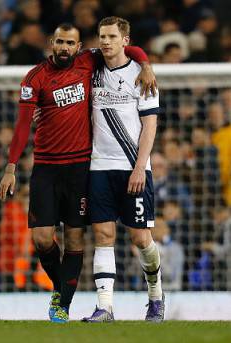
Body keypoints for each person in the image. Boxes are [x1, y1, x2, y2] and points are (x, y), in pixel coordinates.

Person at [0, 22, 155, 323]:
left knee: (75, 239)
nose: (65, 48)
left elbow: (128, 47)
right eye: (60, 42)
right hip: (45, 167)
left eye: (71, 43)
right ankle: (60, 287)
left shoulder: (88, 62)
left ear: (79, 47)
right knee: (43, 239)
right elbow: (21, 126)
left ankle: (62, 303)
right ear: (51, 43)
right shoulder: (35, 78)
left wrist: (145, 65)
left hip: (80, 168)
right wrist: (11, 167)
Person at [82, 17, 164, 323]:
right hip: (99, 166)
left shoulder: (142, 76)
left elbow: (150, 125)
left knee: (141, 239)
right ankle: (105, 307)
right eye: (102, 36)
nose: (105, 42)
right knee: (103, 234)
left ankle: (156, 297)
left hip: (134, 167)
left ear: (124, 40)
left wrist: (140, 167)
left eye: (112, 36)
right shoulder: (91, 68)